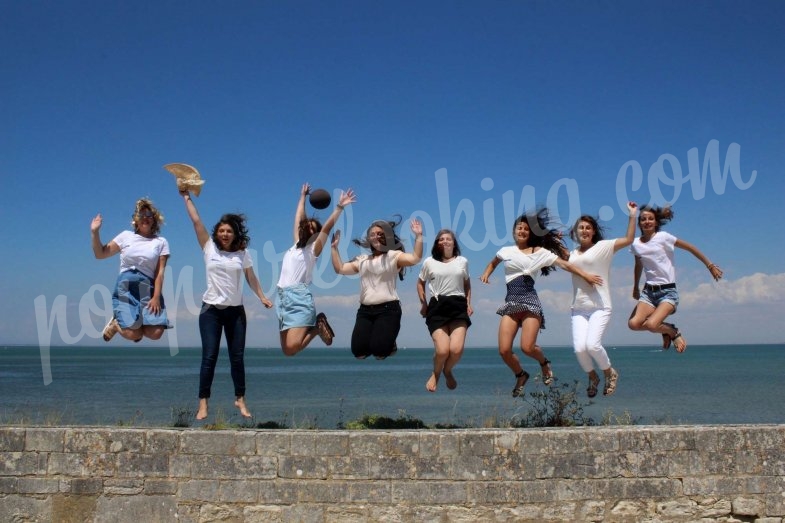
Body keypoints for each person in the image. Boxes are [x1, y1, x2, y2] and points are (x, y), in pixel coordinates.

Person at [479, 209, 602, 398]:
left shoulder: (540, 252)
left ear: (531, 233)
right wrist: (487, 273)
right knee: (504, 350)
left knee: (527, 347)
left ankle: (544, 363)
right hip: (511, 303)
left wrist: (586, 275)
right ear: (514, 231)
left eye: (526, 229)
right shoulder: (505, 251)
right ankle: (520, 375)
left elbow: (566, 264)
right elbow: (493, 263)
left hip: (530, 302)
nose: (522, 231)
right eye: (519, 228)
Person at [179, 189, 273, 421]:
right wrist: (186, 198)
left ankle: (240, 398)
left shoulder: (242, 254)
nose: (224, 234)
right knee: (209, 356)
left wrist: (262, 296)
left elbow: (251, 277)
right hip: (211, 311)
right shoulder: (208, 248)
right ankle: (203, 403)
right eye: (221, 230)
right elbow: (196, 220)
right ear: (216, 233)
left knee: (237, 357)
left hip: (235, 312)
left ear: (234, 234)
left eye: (229, 231)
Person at [627, 205, 723, 353]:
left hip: (668, 292)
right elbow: (638, 265)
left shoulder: (663, 237)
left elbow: (690, 248)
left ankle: (672, 332)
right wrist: (635, 287)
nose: (647, 221)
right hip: (648, 293)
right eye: (643, 219)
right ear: (639, 223)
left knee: (652, 325)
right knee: (633, 324)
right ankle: (664, 330)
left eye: (650, 219)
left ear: (656, 222)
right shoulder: (636, 244)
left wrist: (709, 265)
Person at [567, 202, 637, 398]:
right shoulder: (571, 255)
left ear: (594, 231)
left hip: (600, 306)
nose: (584, 230)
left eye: (588, 227)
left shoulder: (603, 247)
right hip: (578, 308)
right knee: (580, 349)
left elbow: (629, 239)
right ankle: (593, 377)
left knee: (592, 345)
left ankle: (609, 372)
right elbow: (561, 262)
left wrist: (633, 215)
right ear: (575, 231)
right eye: (581, 227)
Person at [277, 184, 356, 355]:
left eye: (314, 229)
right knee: (287, 350)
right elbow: (298, 218)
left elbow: (326, 228)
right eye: (308, 227)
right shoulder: (295, 246)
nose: (310, 229)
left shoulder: (313, 250)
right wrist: (302, 197)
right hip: (282, 299)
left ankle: (317, 326)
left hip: (299, 299)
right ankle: (317, 325)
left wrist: (340, 207)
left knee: (292, 349)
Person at [331, 216, 423, 359]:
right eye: (372, 234)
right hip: (365, 311)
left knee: (380, 353)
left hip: (388, 309)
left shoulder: (394, 256)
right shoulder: (362, 260)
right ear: (369, 239)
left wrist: (418, 236)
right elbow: (340, 268)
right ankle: (382, 340)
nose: (376, 237)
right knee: (359, 353)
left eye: (380, 234)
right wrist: (334, 248)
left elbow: (415, 258)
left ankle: (389, 343)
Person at [91, 198, 171, 343]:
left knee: (156, 333)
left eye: (149, 215)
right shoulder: (126, 236)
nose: (145, 218)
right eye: (141, 215)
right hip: (126, 286)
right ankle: (116, 324)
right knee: (134, 334)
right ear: (136, 219)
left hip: (149, 287)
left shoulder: (161, 242)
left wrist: (156, 297)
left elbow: (159, 273)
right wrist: (95, 233)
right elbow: (100, 254)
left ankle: (133, 322)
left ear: (154, 219)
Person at [417, 229, 472, 392]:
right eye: (441, 239)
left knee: (456, 350)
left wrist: (469, 303)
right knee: (442, 350)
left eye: (448, 239)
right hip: (437, 306)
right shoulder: (429, 262)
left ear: (454, 243)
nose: (445, 241)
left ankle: (447, 370)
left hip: (458, 306)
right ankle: (436, 373)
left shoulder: (463, 261)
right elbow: (420, 283)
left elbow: (467, 284)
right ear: (437, 243)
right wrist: (424, 303)